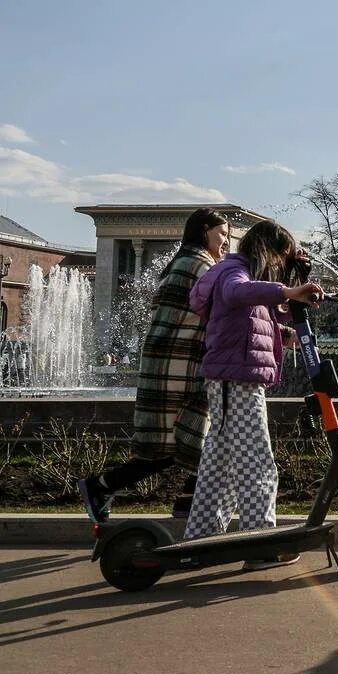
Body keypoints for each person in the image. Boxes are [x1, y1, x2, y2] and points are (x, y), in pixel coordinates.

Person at [181, 221, 322, 570]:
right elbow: (235, 294)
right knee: (257, 462)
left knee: (221, 466)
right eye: (281, 258)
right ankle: (260, 544)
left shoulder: (244, 274)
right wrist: (287, 292)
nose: (280, 268)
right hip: (236, 380)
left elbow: (250, 319)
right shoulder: (234, 270)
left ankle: (202, 541)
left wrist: (283, 333)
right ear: (266, 251)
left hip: (232, 378)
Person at [78, 208, 231, 522]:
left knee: (181, 443)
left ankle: (111, 488)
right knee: (198, 440)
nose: (226, 242)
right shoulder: (199, 265)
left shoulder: (184, 262)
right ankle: (106, 488)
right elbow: (226, 309)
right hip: (178, 366)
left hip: (171, 363)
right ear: (204, 231)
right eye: (223, 234)